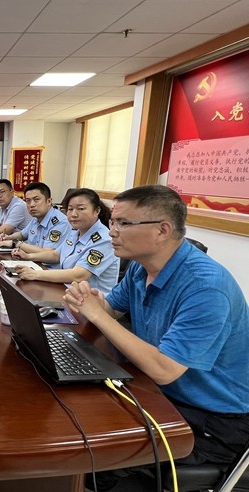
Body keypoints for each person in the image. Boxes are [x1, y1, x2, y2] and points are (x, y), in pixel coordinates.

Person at [64, 185, 249, 491]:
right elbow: (112, 309)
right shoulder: (141, 267)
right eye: (113, 221)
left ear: (163, 230)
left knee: (98, 457)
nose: (112, 231)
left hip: (214, 419)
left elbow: (165, 370)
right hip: (162, 393)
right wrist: (90, 302)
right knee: (78, 416)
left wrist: (96, 315)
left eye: (124, 223)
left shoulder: (206, 287)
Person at [12, 188, 118, 293]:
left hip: (91, 299)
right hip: (67, 291)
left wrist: (36, 274)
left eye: (81, 209)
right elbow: (56, 255)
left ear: (97, 211)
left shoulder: (104, 240)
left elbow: (79, 275)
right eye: (70, 209)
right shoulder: (75, 231)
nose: (74, 214)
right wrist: (28, 256)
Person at [0, 182, 71, 262]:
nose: (32, 205)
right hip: (32, 262)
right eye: (28, 201)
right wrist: (9, 237)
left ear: (49, 201)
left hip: (48, 267)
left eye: (36, 200)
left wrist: (16, 243)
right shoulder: (36, 218)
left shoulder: (60, 222)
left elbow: (48, 252)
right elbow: (22, 234)